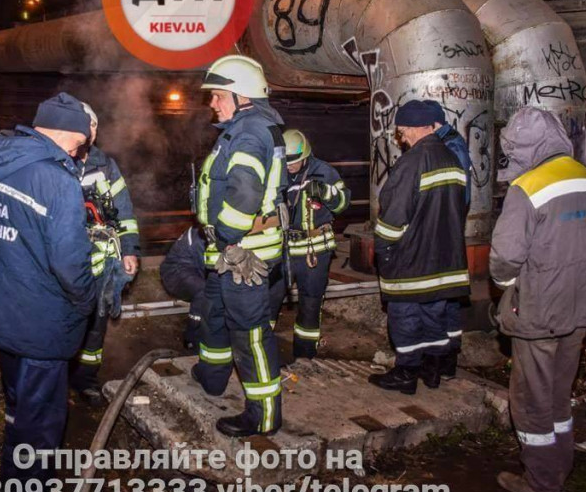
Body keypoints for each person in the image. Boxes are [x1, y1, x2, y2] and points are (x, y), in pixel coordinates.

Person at [0, 92, 97, 492]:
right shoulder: (56, 180)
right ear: (67, 134)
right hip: (40, 319)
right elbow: (69, 262)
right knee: (42, 417)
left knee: (20, 402)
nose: (79, 156)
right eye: (79, 146)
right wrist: (87, 299)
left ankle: (12, 479)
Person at [490, 106, 586, 492]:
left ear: (521, 147)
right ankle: (561, 465)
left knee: (531, 398)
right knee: (560, 393)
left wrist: (509, 287)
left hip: (539, 312)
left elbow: (505, 257)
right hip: (581, 309)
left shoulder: (527, 187)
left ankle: (541, 482)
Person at [192, 55, 287, 437]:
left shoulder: (249, 133)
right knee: (215, 313)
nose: (212, 104)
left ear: (240, 95)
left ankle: (263, 414)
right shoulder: (248, 127)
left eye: (217, 96)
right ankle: (212, 376)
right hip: (229, 252)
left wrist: (228, 240)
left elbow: (244, 194)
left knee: (250, 333)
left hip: (242, 253)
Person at [369, 99, 470, 395]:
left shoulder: (411, 163)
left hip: (412, 262)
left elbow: (394, 216)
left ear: (409, 128)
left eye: (401, 132)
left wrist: (384, 251)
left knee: (406, 319)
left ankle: (406, 374)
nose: (401, 137)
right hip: (445, 261)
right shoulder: (452, 159)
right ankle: (433, 371)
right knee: (435, 318)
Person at [69, 102, 140, 407]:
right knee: (66, 325)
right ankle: (58, 384)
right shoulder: (55, 162)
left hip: (100, 267)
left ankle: (86, 381)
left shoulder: (105, 165)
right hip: (67, 265)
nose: (91, 130)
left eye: (95, 124)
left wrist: (130, 250)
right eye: (86, 124)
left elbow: (124, 211)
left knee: (96, 326)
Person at [268, 129, 350, 359]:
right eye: (286, 162)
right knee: (269, 301)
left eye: (294, 162)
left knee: (310, 306)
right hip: (282, 250)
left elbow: (343, 203)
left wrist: (325, 193)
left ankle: (305, 356)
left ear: (306, 155)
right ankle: (261, 350)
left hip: (313, 252)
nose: (290, 166)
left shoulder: (324, 172)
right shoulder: (277, 172)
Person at [429, 101, 472, 378]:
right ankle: (446, 360)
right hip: (447, 231)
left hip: (444, 233)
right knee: (447, 298)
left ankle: (444, 360)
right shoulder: (450, 142)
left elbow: (457, 197)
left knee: (442, 299)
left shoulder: (451, 148)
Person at [159, 226, 209, 352]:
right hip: (175, 272)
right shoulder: (202, 235)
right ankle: (192, 338)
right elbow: (206, 268)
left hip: (191, 269)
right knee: (204, 292)